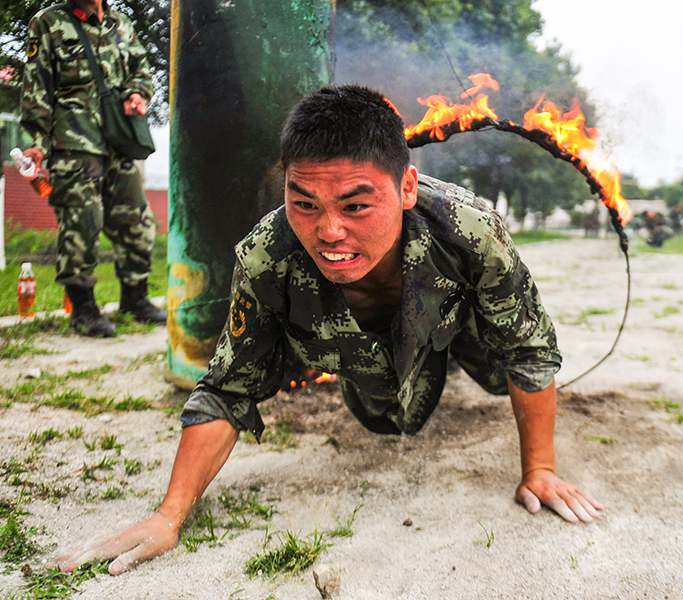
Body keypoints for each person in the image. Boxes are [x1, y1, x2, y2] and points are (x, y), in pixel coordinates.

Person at [49, 85, 602, 575]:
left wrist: (541, 469)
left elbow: (529, 349)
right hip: (357, 359)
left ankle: (448, 352)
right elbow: (226, 388)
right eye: (304, 202)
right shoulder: (268, 257)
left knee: (504, 376)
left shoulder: (471, 231)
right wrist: (169, 515)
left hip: (457, 325)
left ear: (406, 187)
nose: (329, 231)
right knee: (386, 416)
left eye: (356, 205)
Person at [20, 0, 166, 337]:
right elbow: (36, 85)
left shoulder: (121, 24)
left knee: (138, 221)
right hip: (72, 141)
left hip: (117, 139)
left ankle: (135, 299)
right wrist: (40, 144)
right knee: (82, 222)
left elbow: (141, 71)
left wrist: (135, 93)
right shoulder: (47, 22)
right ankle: (83, 307)